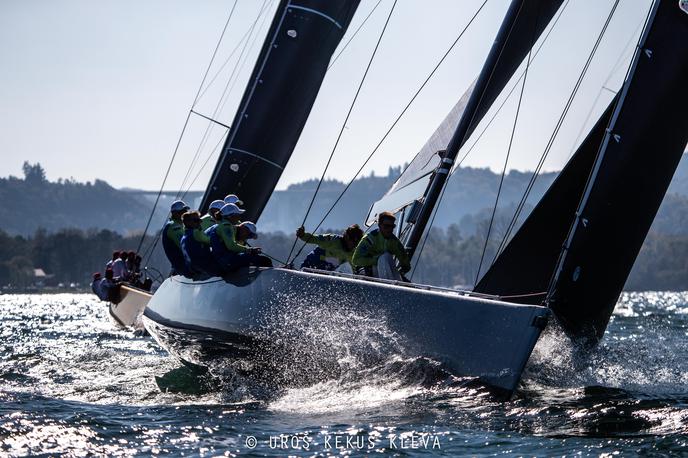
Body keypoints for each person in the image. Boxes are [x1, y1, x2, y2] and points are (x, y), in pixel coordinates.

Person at [207, 203, 271, 271]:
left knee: (258, 259)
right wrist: (250, 250)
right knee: (264, 260)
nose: (239, 218)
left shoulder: (224, 225)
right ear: (230, 216)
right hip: (224, 261)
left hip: (223, 260)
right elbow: (231, 246)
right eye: (237, 215)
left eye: (250, 236)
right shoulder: (226, 226)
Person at [352, 211, 411, 279]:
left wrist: (400, 272)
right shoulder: (369, 239)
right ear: (379, 225)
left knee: (386, 256)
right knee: (384, 257)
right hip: (367, 269)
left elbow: (406, 265)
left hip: (385, 269)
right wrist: (375, 260)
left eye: (392, 226)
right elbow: (355, 260)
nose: (390, 229)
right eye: (387, 226)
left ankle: (391, 286)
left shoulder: (395, 242)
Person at [296, 224, 364, 271]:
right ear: (347, 237)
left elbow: (356, 269)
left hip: (324, 274)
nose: (355, 245)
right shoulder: (332, 240)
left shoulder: (352, 254)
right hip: (309, 266)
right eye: (354, 241)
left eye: (357, 243)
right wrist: (302, 235)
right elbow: (314, 238)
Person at [180, 210, 222, 277]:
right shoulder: (195, 232)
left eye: (200, 219)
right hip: (207, 267)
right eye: (196, 220)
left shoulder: (183, 237)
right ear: (187, 223)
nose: (200, 222)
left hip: (194, 269)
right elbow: (211, 241)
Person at [162, 200, 190, 276]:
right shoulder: (173, 226)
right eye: (183, 212)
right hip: (183, 267)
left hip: (183, 265)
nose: (186, 213)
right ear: (175, 213)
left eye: (186, 211)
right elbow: (185, 245)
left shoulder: (179, 224)